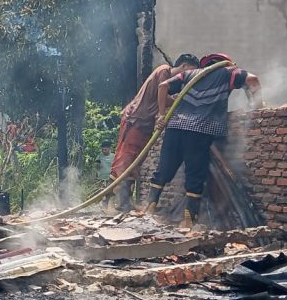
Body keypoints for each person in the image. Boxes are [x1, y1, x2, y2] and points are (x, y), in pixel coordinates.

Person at [144, 53, 263, 228]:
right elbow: (253, 80)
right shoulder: (228, 72)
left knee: (164, 168)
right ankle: (189, 220)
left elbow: (163, 86)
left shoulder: (189, 74)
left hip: (174, 128)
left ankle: (148, 208)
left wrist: (162, 115)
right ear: (226, 63)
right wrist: (258, 107)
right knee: (195, 174)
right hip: (200, 131)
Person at [107, 54, 200, 212]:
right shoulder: (164, 70)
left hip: (145, 123)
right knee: (125, 159)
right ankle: (106, 200)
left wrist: (180, 100)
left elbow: (163, 98)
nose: (190, 76)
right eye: (191, 71)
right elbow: (162, 89)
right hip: (136, 119)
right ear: (184, 66)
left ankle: (125, 202)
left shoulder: (165, 83)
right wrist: (162, 115)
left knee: (135, 162)